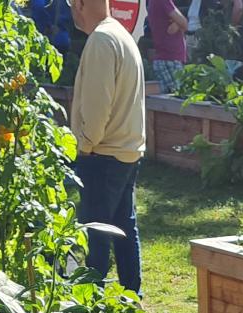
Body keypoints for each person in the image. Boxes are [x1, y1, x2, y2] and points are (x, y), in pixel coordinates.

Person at [69, 0, 146, 292]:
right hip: (126, 151)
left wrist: (85, 145)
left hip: (103, 154)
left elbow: (97, 107)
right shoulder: (121, 34)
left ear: (80, 4)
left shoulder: (101, 40)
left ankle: (92, 304)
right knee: (124, 228)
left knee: (96, 234)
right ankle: (132, 297)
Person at [147, 0, 188, 89]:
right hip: (170, 59)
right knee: (178, 94)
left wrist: (177, 23)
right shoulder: (164, 1)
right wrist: (178, 23)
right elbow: (184, 23)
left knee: (168, 96)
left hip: (163, 58)